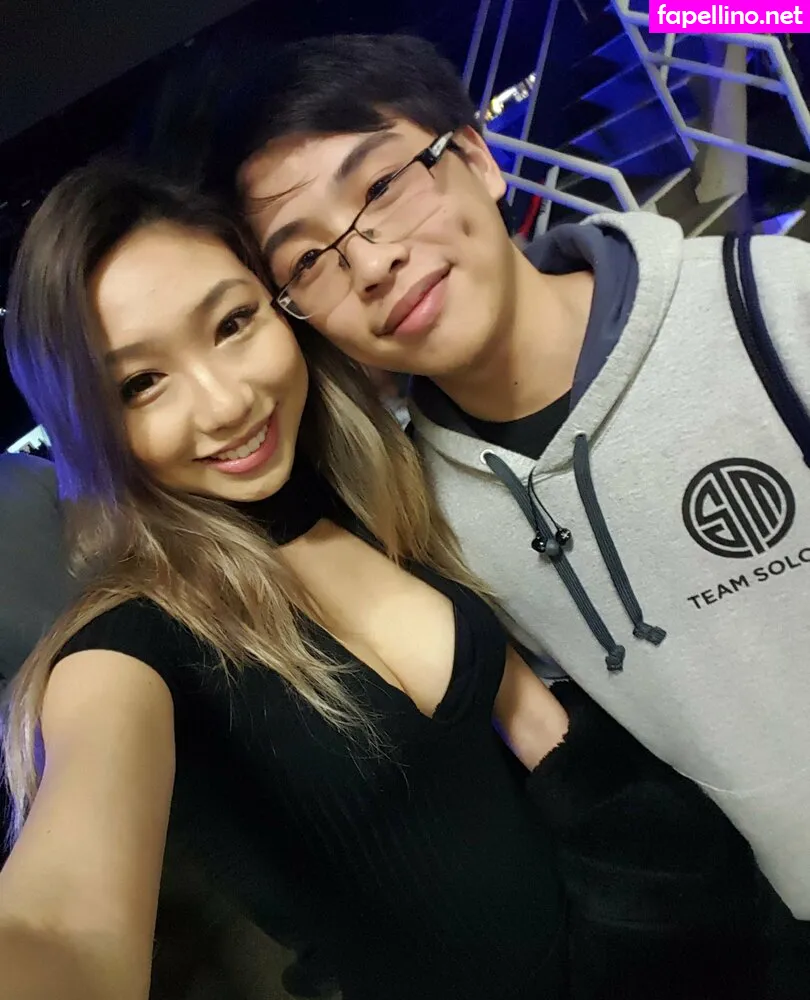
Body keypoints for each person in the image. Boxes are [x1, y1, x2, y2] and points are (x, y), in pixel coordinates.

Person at [0, 163, 764, 1000]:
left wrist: (675, 902)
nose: (224, 403)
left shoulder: (364, 494)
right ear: (87, 424)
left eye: (233, 322)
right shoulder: (127, 644)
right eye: (141, 383)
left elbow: (542, 733)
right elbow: (62, 919)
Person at [203, 32, 810, 945]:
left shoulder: (772, 310)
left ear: (478, 159)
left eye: (380, 186)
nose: (371, 263)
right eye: (307, 262)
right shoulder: (427, 526)